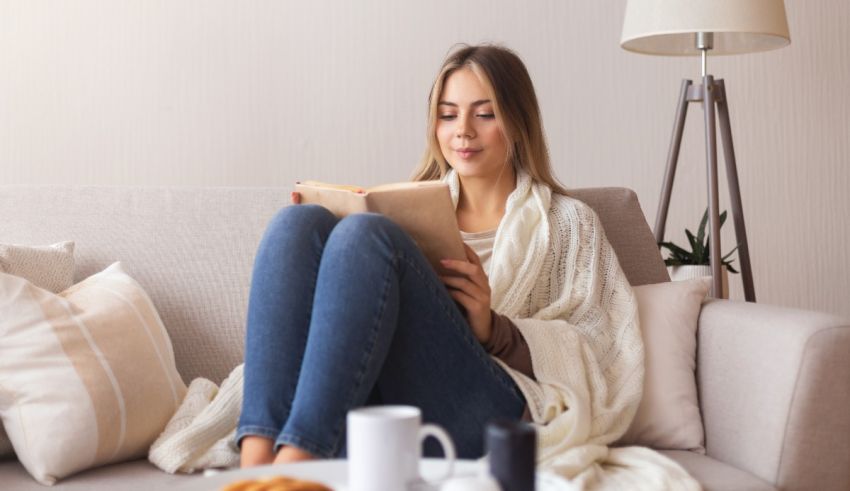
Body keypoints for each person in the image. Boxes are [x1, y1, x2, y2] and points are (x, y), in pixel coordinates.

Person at [237, 44, 643, 470]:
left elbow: (596, 349)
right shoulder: (405, 209)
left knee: (365, 235)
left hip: (490, 409)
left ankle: (296, 465)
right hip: (389, 399)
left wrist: (493, 330)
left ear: (519, 124)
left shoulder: (568, 222)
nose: (463, 130)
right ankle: (256, 461)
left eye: (484, 114)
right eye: (448, 115)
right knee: (296, 225)